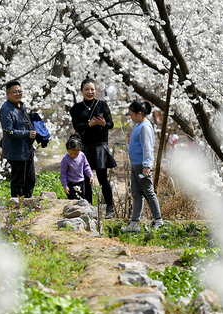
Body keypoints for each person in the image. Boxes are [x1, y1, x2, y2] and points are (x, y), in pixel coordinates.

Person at [69, 78, 118, 218]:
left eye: (92, 89)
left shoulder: (102, 105)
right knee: (85, 178)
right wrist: (88, 125)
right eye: (87, 89)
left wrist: (103, 124)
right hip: (85, 147)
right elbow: (76, 127)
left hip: (100, 146)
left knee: (103, 178)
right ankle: (88, 207)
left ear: (96, 90)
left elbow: (111, 124)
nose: (90, 92)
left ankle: (110, 208)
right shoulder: (76, 108)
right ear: (81, 91)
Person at [123, 100, 164, 233]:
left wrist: (147, 165)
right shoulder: (139, 125)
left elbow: (148, 148)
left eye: (132, 115)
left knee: (149, 192)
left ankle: (158, 220)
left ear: (139, 113)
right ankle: (135, 223)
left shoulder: (145, 127)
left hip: (142, 166)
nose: (131, 117)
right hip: (136, 165)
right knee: (136, 193)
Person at [0, 80, 36, 198]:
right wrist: (26, 134)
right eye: (14, 92)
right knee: (18, 182)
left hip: (27, 149)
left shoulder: (22, 105)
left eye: (19, 91)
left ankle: (28, 203)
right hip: (16, 151)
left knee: (30, 180)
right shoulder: (6, 110)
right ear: (7, 94)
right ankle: (16, 208)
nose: (18, 94)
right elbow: (8, 131)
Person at [60, 135, 94, 201]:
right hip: (71, 184)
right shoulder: (65, 160)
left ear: (80, 149)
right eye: (71, 153)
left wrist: (91, 176)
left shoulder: (82, 155)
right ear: (67, 150)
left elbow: (86, 167)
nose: (73, 155)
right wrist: (65, 186)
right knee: (74, 202)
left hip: (81, 182)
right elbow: (63, 174)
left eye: (76, 153)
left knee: (82, 200)